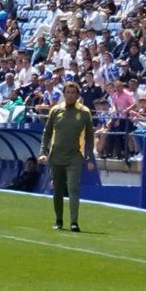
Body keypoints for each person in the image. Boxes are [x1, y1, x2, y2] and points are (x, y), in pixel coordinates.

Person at [38, 80, 97, 231]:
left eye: (73, 93)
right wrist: (43, 152)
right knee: (57, 190)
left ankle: (74, 222)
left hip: (75, 156)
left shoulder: (84, 112)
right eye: (68, 93)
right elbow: (47, 132)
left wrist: (90, 158)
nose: (70, 95)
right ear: (63, 94)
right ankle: (58, 220)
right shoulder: (56, 110)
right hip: (56, 155)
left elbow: (90, 137)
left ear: (78, 95)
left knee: (72, 187)